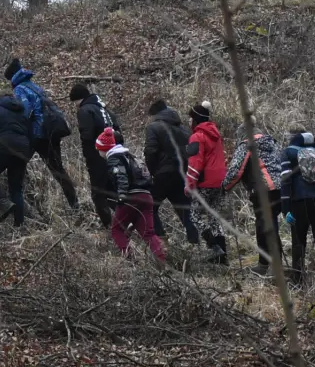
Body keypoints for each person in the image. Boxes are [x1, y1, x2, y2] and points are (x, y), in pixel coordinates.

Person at [6, 60, 79, 211]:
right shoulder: (35, 87)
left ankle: (18, 205)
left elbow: (25, 112)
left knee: (17, 166)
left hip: (37, 135)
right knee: (58, 170)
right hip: (51, 132)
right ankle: (75, 205)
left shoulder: (20, 89)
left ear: (12, 77)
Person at [97, 127, 165, 262]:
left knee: (117, 230)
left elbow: (120, 175)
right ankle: (162, 262)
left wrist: (122, 195)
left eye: (99, 148)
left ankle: (132, 261)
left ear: (105, 148)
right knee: (149, 233)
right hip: (146, 196)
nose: (98, 151)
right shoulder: (130, 156)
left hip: (130, 197)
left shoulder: (114, 158)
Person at [224, 131, 285, 274]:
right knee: (269, 226)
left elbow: (236, 171)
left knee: (265, 227)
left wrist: (224, 186)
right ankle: (267, 264)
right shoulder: (271, 143)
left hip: (262, 190)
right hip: (279, 188)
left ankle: (272, 267)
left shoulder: (247, 145)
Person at [145, 99, 199, 245]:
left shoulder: (154, 127)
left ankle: (161, 241)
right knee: (185, 210)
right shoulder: (184, 129)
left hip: (163, 174)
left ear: (154, 114)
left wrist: (154, 171)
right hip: (182, 174)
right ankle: (195, 243)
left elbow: (150, 151)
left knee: (149, 207)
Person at [281, 130, 315, 283]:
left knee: (298, 240)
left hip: (298, 201)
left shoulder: (288, 153)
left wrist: (286, 208)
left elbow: (285, 181)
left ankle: (298, 279)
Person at [70, 83, 124, 227]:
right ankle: (126, 220)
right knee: (113, 190)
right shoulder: (105, 110)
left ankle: (108, 225)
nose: (75, 106)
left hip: (97, 157)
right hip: (115, 156)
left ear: (78, 99)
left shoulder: (85, 110)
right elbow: (119, 134)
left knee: (98, 193)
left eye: (74, 102)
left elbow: (86, 136)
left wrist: (88, 157)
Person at [0, 90, 32, 227]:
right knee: (16, 189)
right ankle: (19, 227)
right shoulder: (22, 113)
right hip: (23, 150)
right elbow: (30, 133)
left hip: (4, 147)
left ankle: (3, 201)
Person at [185, 102, 229, 264]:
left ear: (195, 119)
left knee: (194, 216)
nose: (189, 122)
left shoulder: (197, 137)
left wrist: (189, 185)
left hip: (205, 182)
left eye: (190, 118)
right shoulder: (216, 135)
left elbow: (195, 163)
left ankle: (214, 248)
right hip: (220, 182)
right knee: (214, 218)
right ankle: (223, 258)